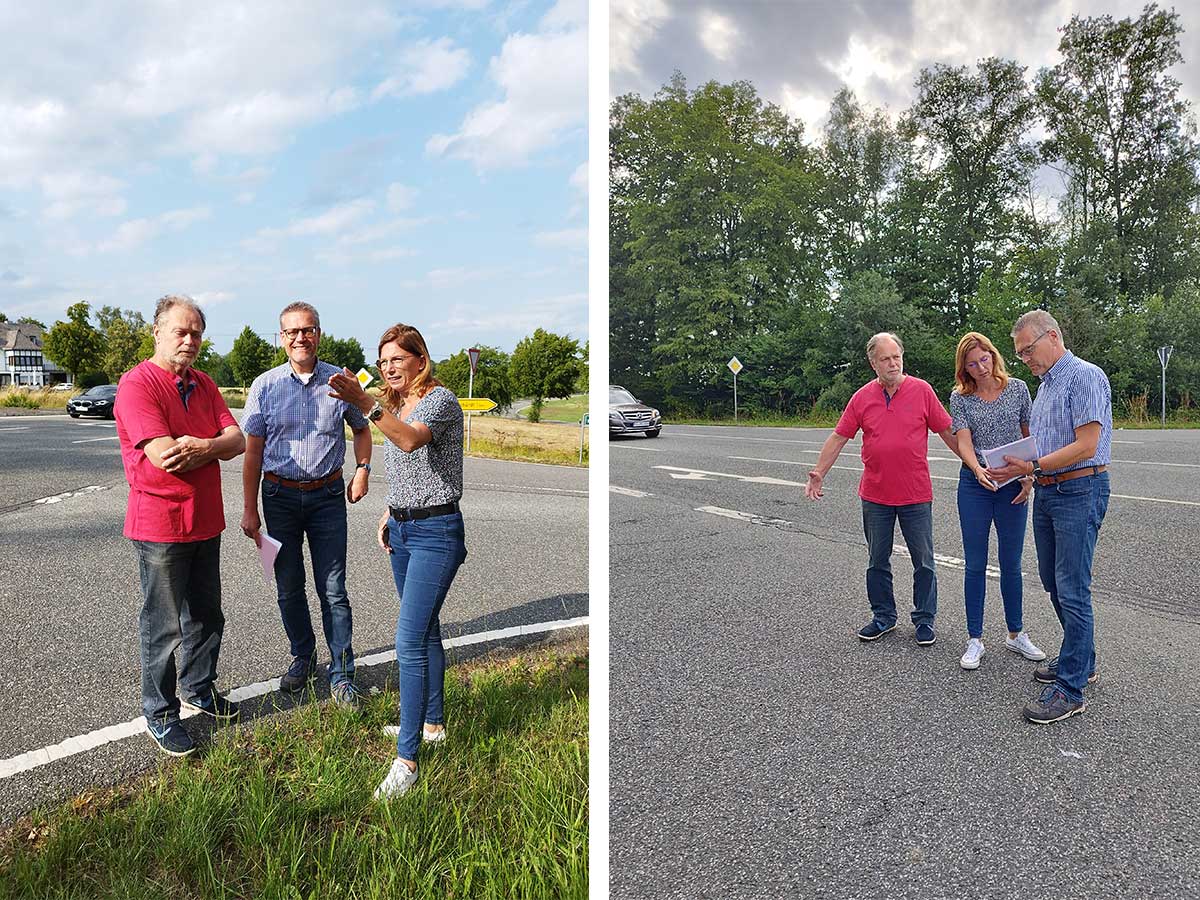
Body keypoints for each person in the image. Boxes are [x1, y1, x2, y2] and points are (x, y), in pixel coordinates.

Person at [328, 323, 467, 799]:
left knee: (407, 642)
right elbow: (407, 467)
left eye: (397, 360)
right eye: (383, 360)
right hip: (406, 528)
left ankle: (407, 762)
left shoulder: (440, 400)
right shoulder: (398, 403)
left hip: (437, 533)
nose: (388, 367)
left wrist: (365, 400)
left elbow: (409, 442)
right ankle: (432, 726)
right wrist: (392, 511)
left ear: (419, 361)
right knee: (425, 632)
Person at [114, 295, 246, 756]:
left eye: (196, 333)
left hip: (206, 520)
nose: (189, 340)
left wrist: (204, 445)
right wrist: (214, 444)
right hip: (161, 524)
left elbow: (240, 440)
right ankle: (159, 710)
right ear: (157, 332)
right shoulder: (137, 385)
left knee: (208, 617)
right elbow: (165, 455)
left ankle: (199, 688)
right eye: (180, 331)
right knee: (163, 625)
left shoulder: (205, 384)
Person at [240, 302, 373, 708]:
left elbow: (363, 428)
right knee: (287, 588)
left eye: (308, 329)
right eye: (292, 331)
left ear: (319, 333)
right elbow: (252, 453)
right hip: (277, 497)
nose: (301, 337)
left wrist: (363, 468)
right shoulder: (264, 386)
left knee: (333, 589)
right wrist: (249, 508)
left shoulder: (341, 382)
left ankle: (343, 672)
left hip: (328, 497)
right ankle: (303, 655)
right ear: (281, 338)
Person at [985, 310, 1111, 724]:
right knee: (1052, 580)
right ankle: (1083, 659)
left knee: (1073, 588)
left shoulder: (1084, 375)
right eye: (1019, 354)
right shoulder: (1046, 386)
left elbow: (1087, 444)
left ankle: (1072, 689)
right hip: (1049, 489)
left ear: (1052, 336)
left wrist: (1032, 466)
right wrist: (1022, 468)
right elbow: (1044, 443)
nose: (1025, 359)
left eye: (1028, 350)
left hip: (1079, 487)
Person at [805, 332, 956, 645]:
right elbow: (838, 437)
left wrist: (975, 461)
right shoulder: (862, 397)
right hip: (876, 495)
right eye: (885, 359)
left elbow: (947, 431)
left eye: (897, 356)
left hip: (915, 494)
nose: (893, 363)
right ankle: (883, 616)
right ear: (873, 363)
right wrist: (819, 472)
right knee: (877, 560)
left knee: (924, 561)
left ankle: (924, 620)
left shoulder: (922, 391)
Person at [949, 332, 1045, 671]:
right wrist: (976, 468)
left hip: (1013, 484)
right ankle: (975, 638)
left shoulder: (1018, 388)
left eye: (984, 359)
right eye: (972, 364)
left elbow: (1029, 437)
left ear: (993, 355)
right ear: (965, 368)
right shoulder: (960, 397)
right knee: (975, 563)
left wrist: (1029, 478)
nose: (981, 367)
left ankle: (1015, 632)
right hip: (976, 485)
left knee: (1011, 563)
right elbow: (963, 441)